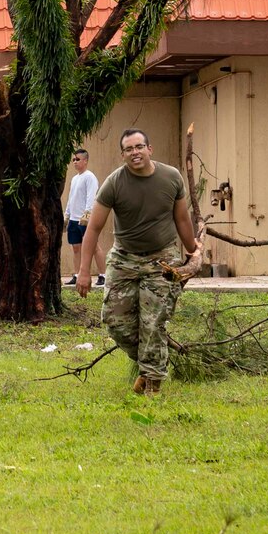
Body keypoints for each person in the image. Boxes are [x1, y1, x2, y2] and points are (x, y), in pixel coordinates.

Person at [75, 129, 200, 394]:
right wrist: (84, 271)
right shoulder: (114, 183)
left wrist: (193, 251)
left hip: (162, 260)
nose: (135, 152)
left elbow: (181, 219)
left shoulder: (171, 177)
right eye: (129, 149)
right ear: (123, 155)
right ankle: (150, 362)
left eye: (139, 146)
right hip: (124, 259)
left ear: (149, 149)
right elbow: (94, 228)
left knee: (153, 322)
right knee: (115, 322)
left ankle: (152, 384)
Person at [63, 147, 103, 287]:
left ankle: (102, 275)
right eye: (73, 159)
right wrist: (66, 216)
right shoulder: (74, 179)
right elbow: (71, 198)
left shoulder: (90, 177)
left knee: (94, 246)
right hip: (74, 219)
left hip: (84, 219)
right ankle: (76, 274)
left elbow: (91, 197)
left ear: (85, 161)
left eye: (77, 159)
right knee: (76, 248)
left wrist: (87, 214)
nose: (74, 162)